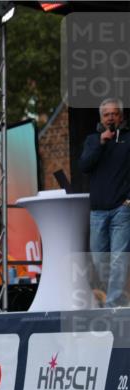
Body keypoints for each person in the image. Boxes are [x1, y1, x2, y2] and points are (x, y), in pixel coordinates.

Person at [78, 98, 130, 307]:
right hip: (98, 211)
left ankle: (112, 303)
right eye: (106, 114)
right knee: (100, 260)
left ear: (121, 117)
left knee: (119, 258)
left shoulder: (128, 139)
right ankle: (111, 297)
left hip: (122, 209)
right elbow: (84, 166)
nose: (110, 118)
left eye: (114, 114)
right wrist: (101, 143)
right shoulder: (92, 140)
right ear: (101, 119)